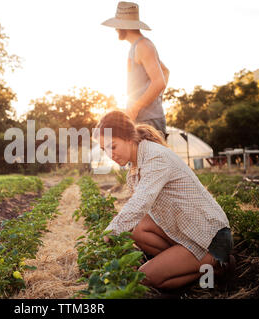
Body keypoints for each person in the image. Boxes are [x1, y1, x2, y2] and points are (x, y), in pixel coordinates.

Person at [94, 110, 236, 290]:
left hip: (211, 239)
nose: (109, 154)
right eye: (104, 149)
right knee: (138, 230)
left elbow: (140, 203)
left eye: (112, 146)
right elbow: (137, 212)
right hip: (190, 231)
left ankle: (216, 268)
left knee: (145, 278)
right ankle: (177, 264)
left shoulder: (155, 158)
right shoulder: (135, 162)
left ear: (129, 138)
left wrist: (110, 232)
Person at [102, 2, 169, 139]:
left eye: (117, 25)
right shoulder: (137, 46)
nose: (115, 29)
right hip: (144, 119)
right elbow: (165, 71)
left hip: (148, 122)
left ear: (123, 26)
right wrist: (155, 99)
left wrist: (135, 109)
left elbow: (159, 82)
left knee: (150, 160)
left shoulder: (143, 46)